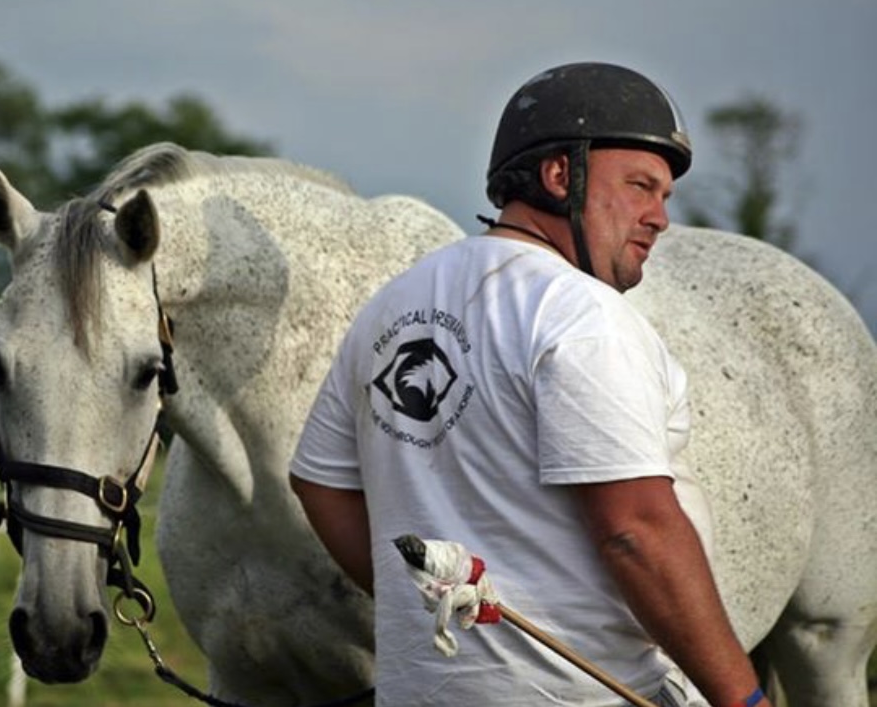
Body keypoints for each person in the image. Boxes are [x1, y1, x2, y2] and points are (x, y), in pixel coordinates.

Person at [289, 62, 770, 707]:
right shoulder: (580, 316)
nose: (658, 218)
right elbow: (636, 531)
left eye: (665, 198)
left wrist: (441, 602)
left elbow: (319, 482)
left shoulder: (392, 306)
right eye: (638, 186)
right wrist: (743, 701)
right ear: (558, 175)